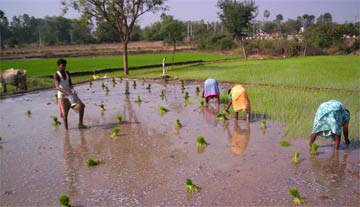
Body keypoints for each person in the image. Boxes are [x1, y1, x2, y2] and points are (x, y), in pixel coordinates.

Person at [54, 58, 87, 130]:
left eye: (65, 65)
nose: (64, 67)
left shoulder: (67, 73)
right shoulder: (56, 74)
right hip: (62, 96)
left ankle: (80, 124)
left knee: (81, 106)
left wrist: (72, 89)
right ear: (58, 66)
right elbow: (57, 87)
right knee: (65, 115)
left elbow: (70, 84)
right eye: (62, 65)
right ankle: (67, 131)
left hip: (70, 95)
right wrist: (67, 93)